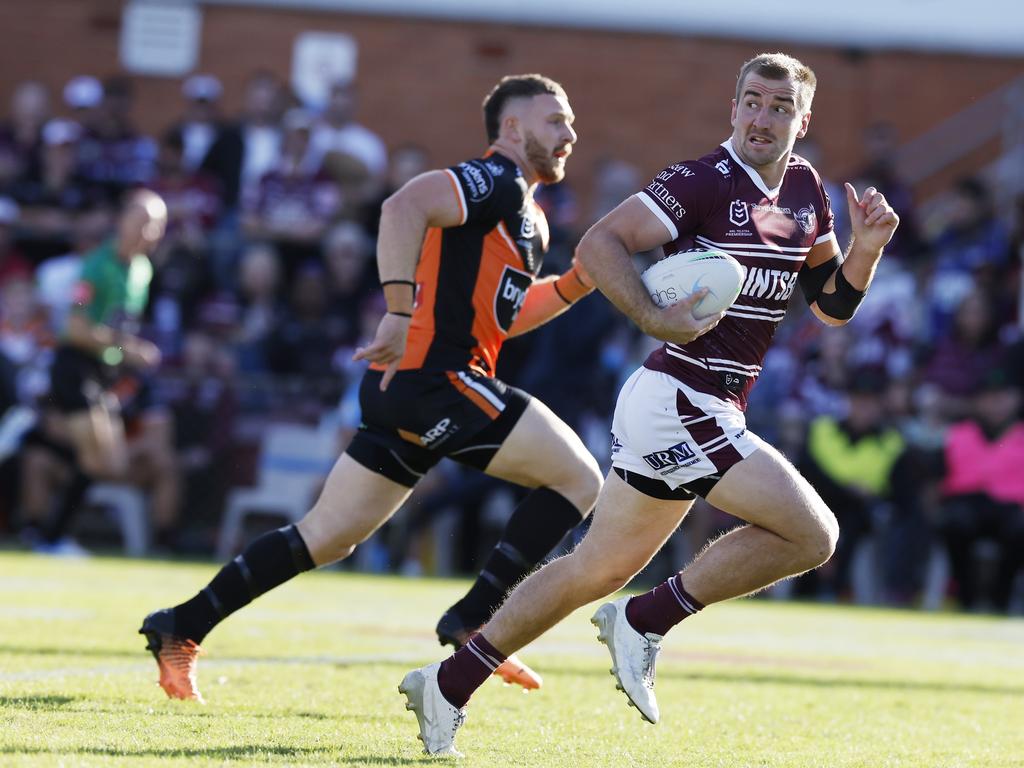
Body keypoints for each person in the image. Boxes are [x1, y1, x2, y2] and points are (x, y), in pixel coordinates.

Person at [400, 52, 900, 756]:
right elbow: (601, 242)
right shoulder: (700, 181)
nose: (763, 117)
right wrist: (650, 316)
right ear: (734, 108)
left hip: (710, 403)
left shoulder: (807, 191)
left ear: (802, 119)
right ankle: (645, 619)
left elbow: (832, 305)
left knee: (593, 569)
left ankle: (447, 682)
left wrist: (867, 250)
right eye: (752, 102)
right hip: (678, 394)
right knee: (813, 535)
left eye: (779, 107)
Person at [139, 74, 602, 702]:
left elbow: (507, 315)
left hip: (413, 388)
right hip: (438, 380)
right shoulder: (493, 179)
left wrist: (578, 281)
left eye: (570, 121)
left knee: (326, 536)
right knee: (580, 479)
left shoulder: (532, 219)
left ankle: (181, 625)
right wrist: (398, 309)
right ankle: (476, 619)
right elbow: (401, 206)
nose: (568, 132)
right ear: (513, 129)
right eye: (554, 120)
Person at [30, 190, 166, 554]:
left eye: (156, 226)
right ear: (122, 221)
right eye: (142, 223)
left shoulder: (142, 269)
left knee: (108, 462)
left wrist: (123, 353)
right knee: (100, 459)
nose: (148, 233)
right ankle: (50, 537)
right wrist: (128, 350)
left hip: (103, 371)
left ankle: (49, 534)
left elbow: (123, 327)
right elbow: (75, 326)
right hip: (75, 366)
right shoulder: (94, 266)